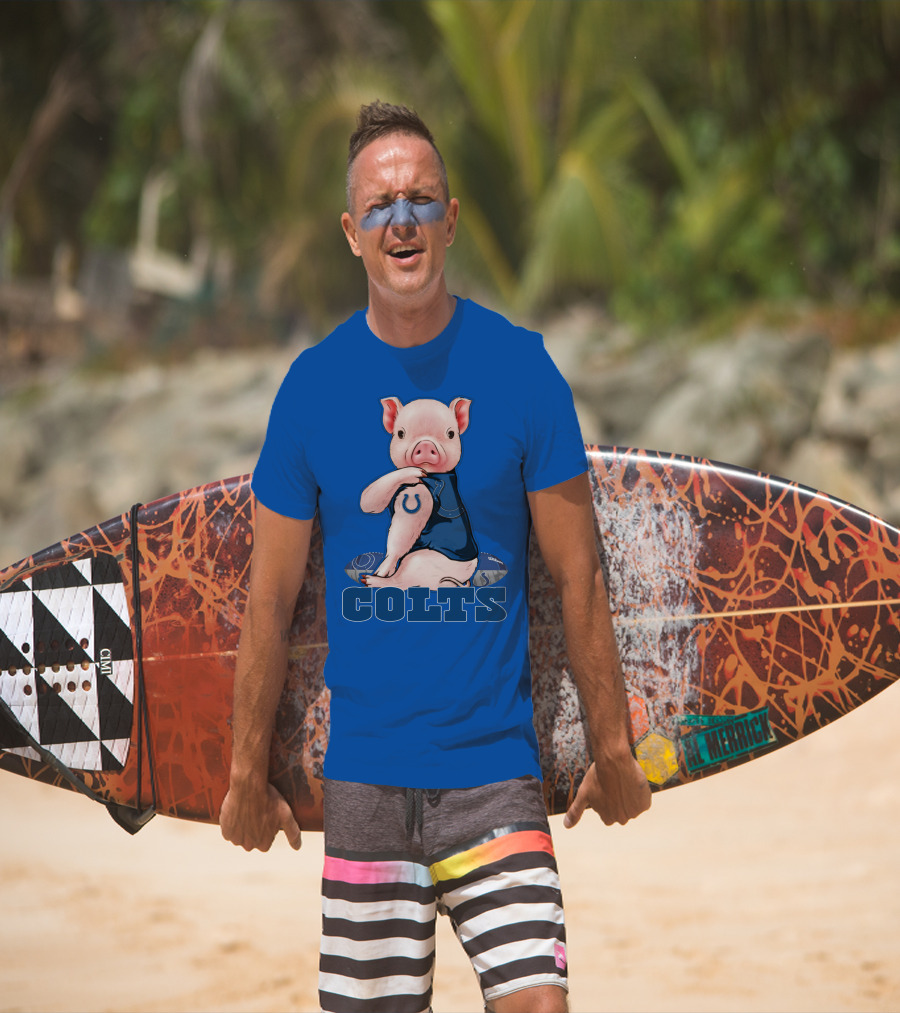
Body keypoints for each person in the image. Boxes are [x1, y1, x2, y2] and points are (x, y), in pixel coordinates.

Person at [220, 100, 651, 1013]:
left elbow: (578, 575)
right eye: (380, 206)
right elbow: (269, 599)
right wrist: (244, 772)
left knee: (540, 1003)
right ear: (352, 233)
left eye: (420, 200)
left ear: (450, 220)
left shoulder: (523, 372)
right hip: (366, 783)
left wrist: (612, 745)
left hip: (495, 777)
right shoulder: (312, 389)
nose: (402, 220)